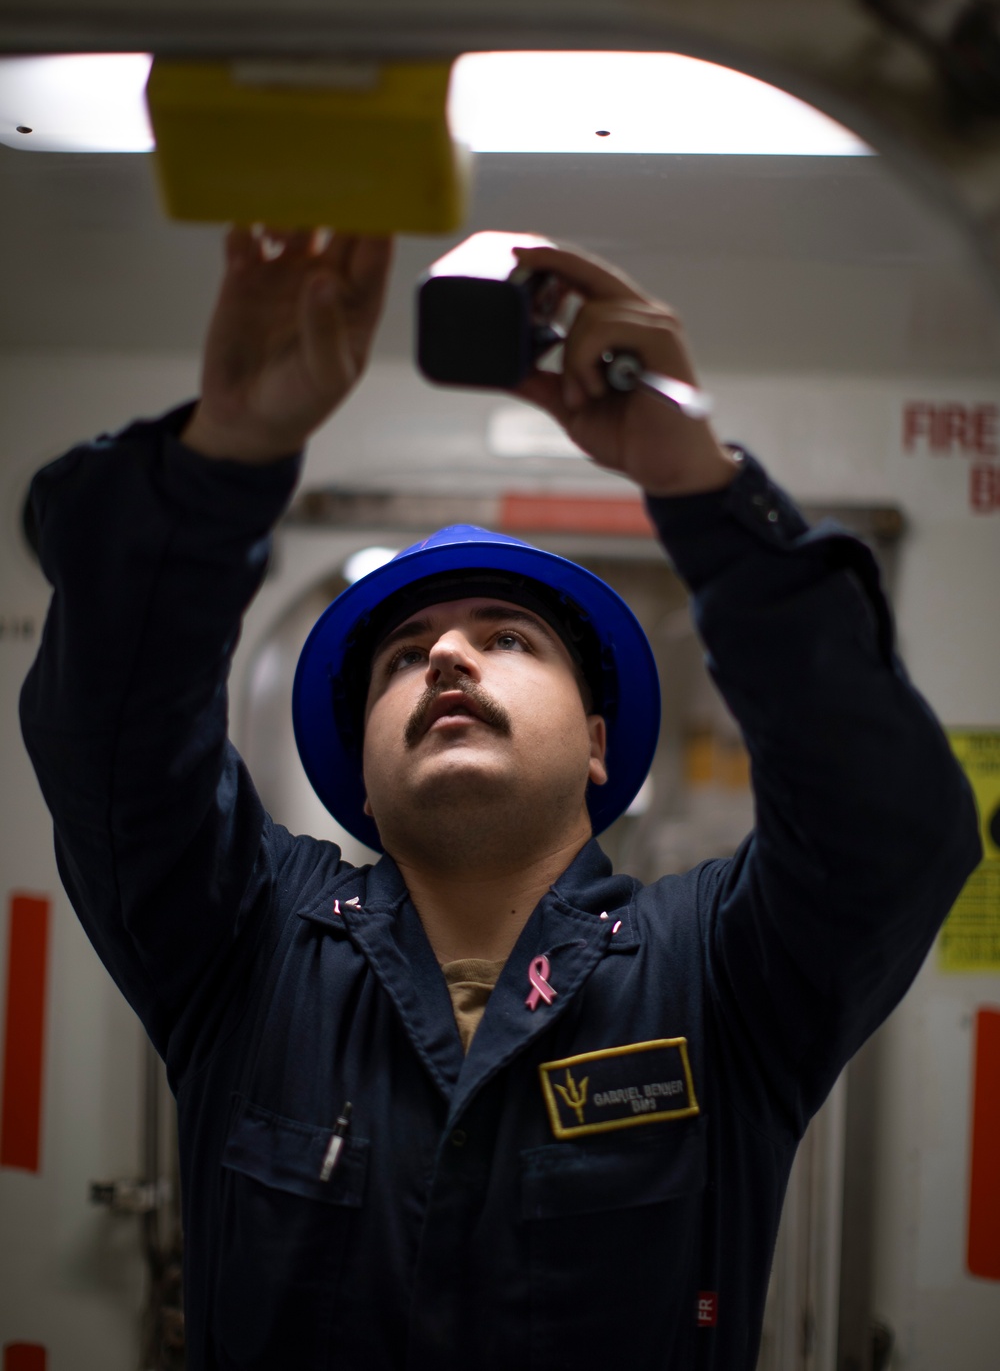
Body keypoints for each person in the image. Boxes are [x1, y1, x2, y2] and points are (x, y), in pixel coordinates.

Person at [20, 227, 979, 1371]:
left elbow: (888, 830)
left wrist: (697, 487)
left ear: (597, 745)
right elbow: (114, 739)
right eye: (403, 656)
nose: (447, 662)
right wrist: (227, 453)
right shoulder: (247, 944)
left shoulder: (717, 974)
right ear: (360, 770)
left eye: (507, 637)